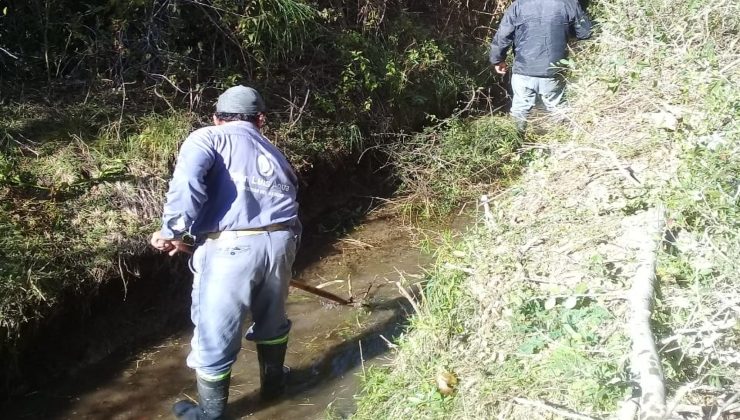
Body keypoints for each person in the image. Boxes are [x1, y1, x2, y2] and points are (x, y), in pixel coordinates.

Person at [150, 85, 301, 419]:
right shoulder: (275, 153)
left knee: (214, 334)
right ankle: (274, 389)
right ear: (260, 120)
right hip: (281, 243)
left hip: (231, 248)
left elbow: (188, 184)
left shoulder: (207, 138)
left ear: (216, 118)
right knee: (273, 319)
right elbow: (289, 199)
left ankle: (211, 415)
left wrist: (171, 231)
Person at [490, 0, 592, 132]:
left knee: (520, 111)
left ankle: (515, 147)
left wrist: (498, 60)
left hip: (523, 70)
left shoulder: (518, 5)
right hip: (553, 71)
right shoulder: (568, 3)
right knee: (559, 111)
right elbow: (585, 32)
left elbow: (503, 35)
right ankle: (560, 146)